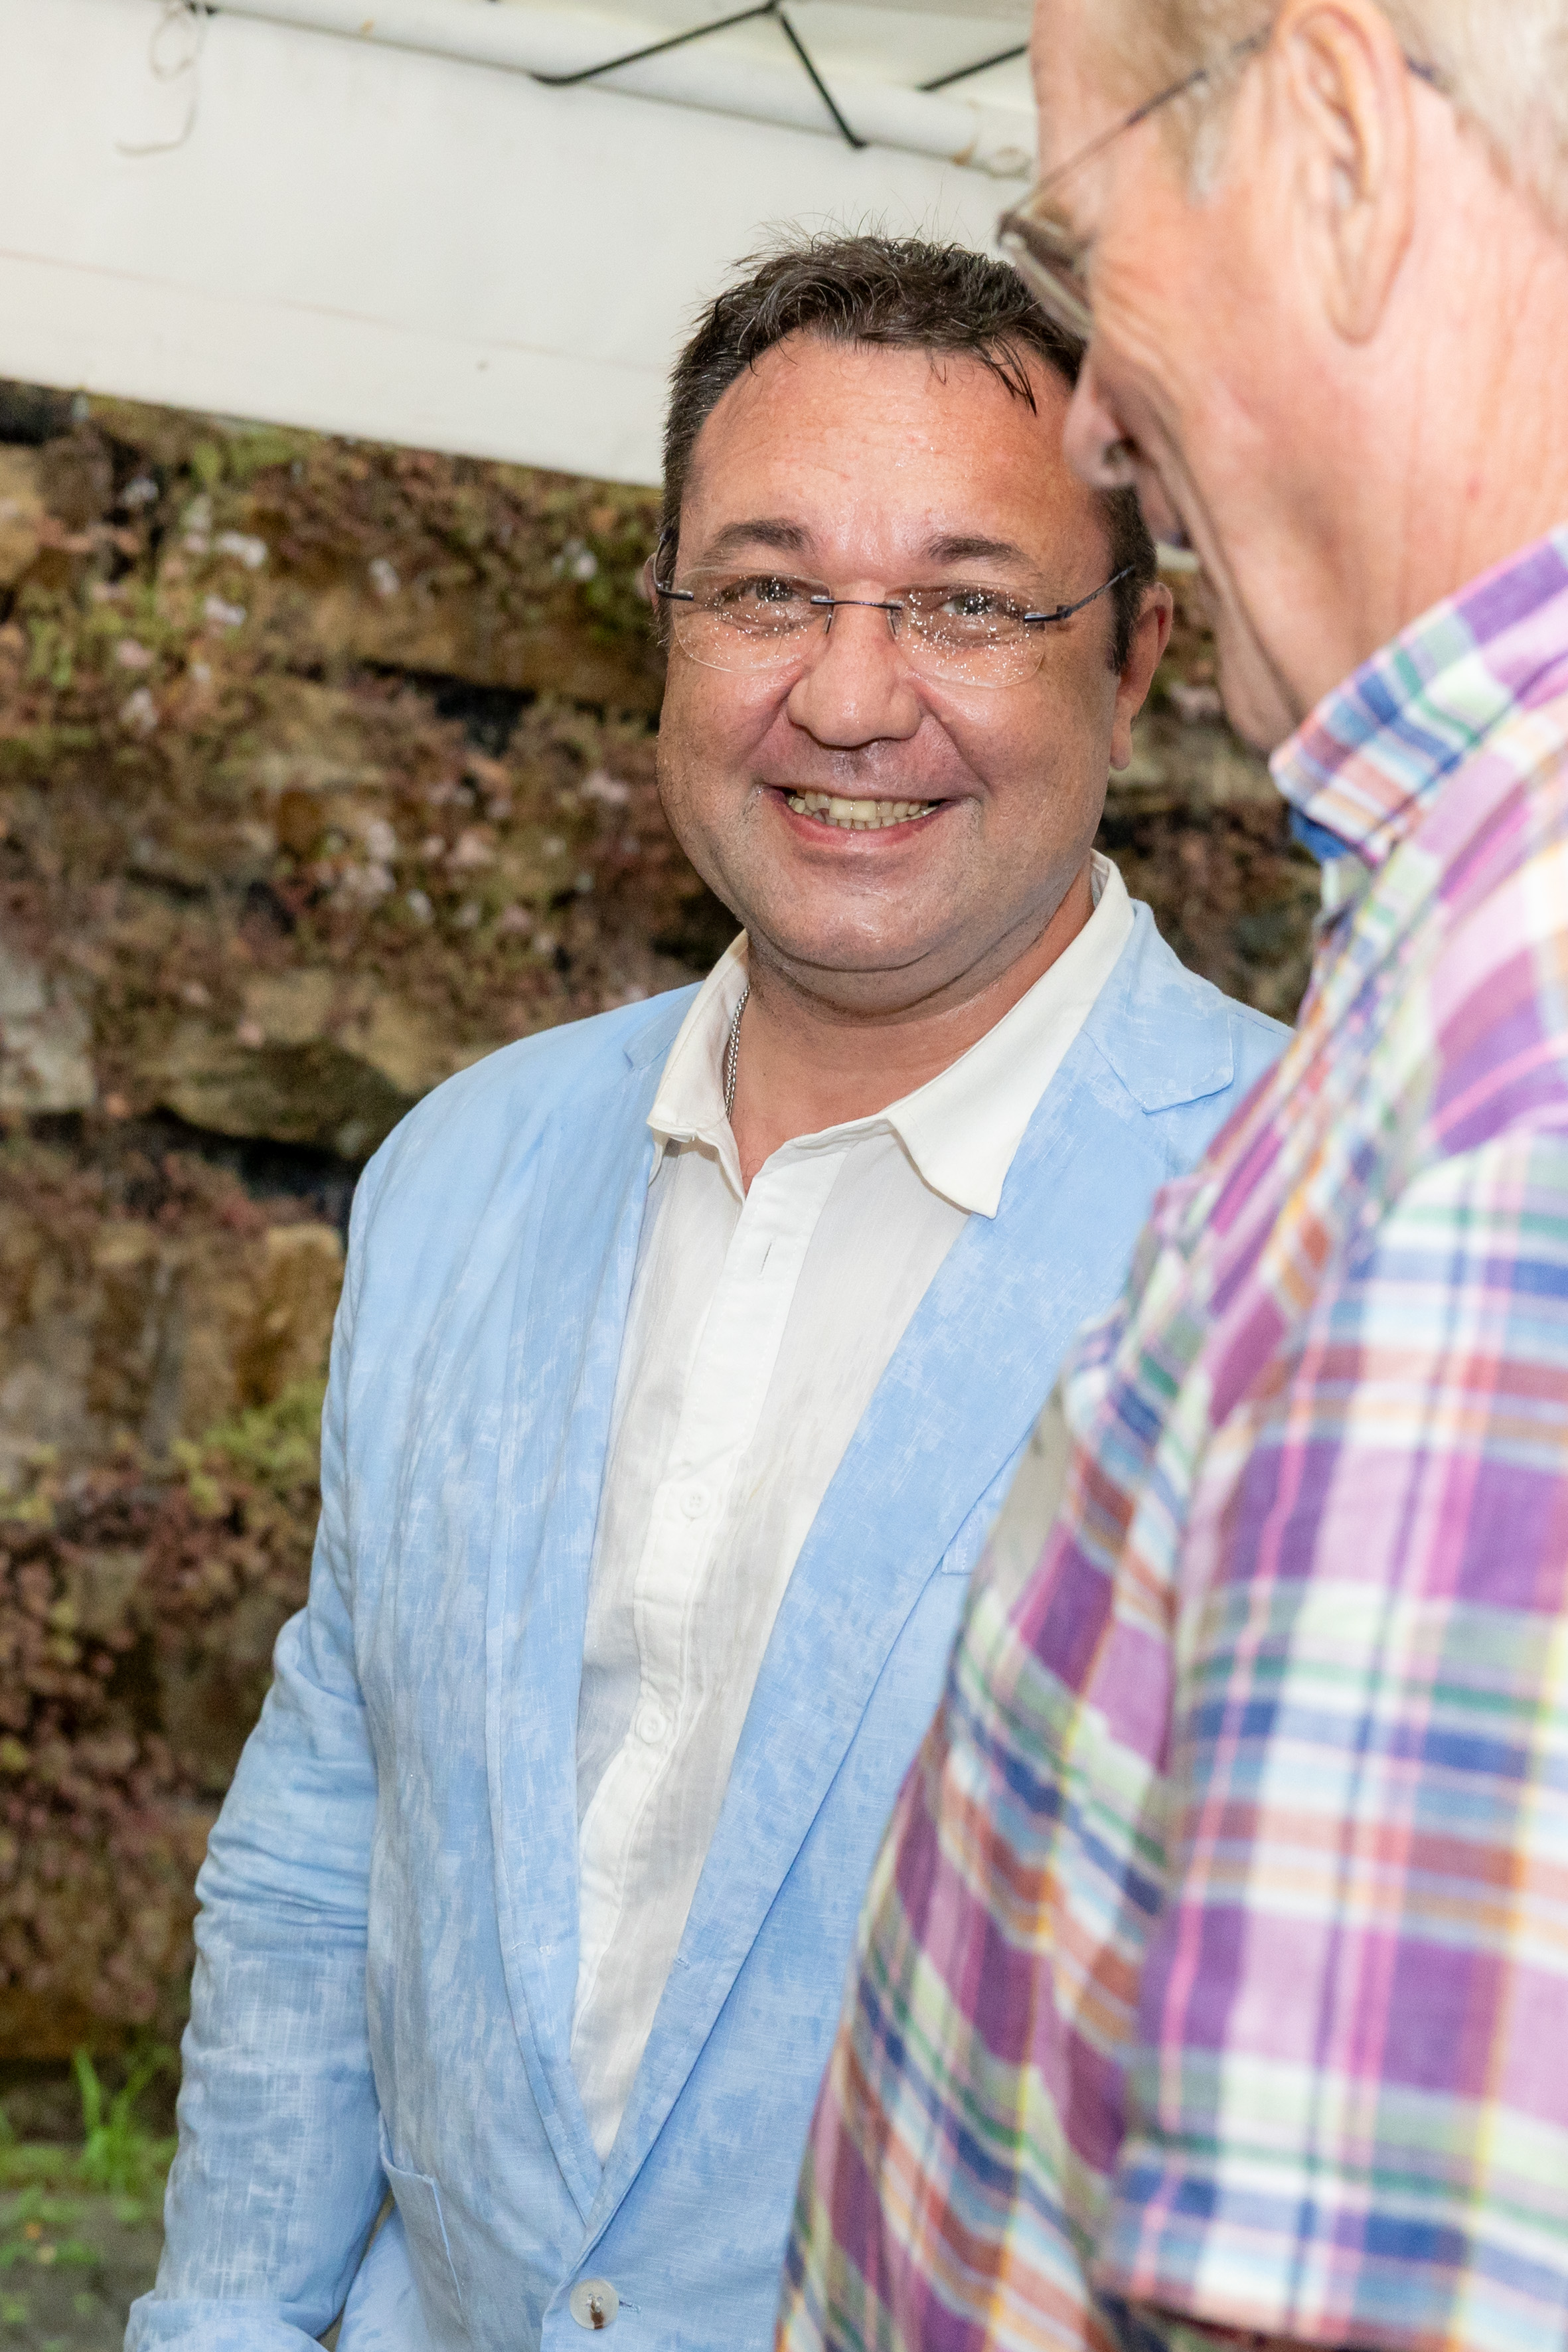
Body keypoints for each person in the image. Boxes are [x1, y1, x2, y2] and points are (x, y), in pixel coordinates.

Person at [128, 234, 1283, 2352]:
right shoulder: (463, 1172)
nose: (846, 696)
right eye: (764, 589)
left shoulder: (1306, 1231)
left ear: (1131, 662)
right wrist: (223, 2321)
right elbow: (327, 1848)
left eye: (965, 603)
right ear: (660, 624)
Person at [781, 11, 1568, 2352]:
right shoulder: (1455, 960)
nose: (1089, 421)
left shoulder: (1510, 1096)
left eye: (1081, 243)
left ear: (1334, 138)